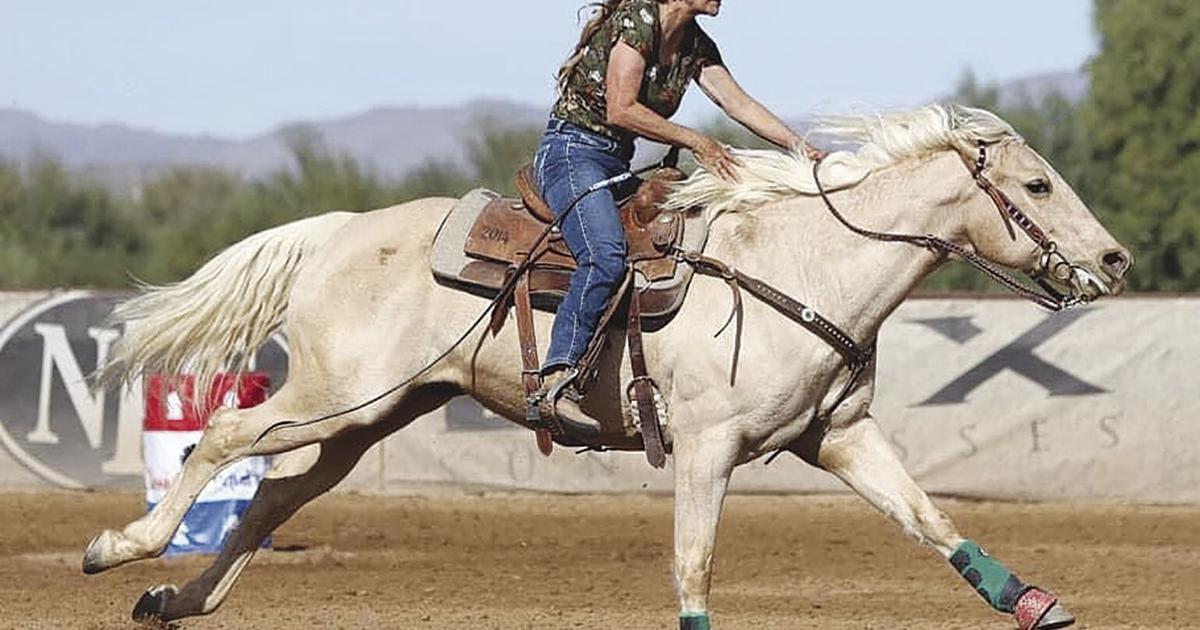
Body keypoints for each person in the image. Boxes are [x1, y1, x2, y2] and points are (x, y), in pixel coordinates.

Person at [533, 0, 824, 417]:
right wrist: (696, 140)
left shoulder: (694, 44)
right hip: (571, 153)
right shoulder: (637, 19)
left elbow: (739, 104)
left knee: (678, 240)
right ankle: (557, 379)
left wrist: (804, 150)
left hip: (615, 162)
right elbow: (621, 106)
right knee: (604, 255)